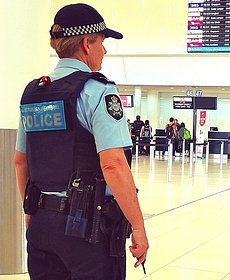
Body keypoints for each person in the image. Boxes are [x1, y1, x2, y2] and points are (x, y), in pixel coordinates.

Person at [13, 3, 149, 280]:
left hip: (41, 224)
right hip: (88, 231)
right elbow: (113, 165)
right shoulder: (98, 91)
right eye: (102, 42)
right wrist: (138, 225)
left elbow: (20, 161)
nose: (105, 50)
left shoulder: (34, 93)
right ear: (87, 44)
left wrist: (31, 214)